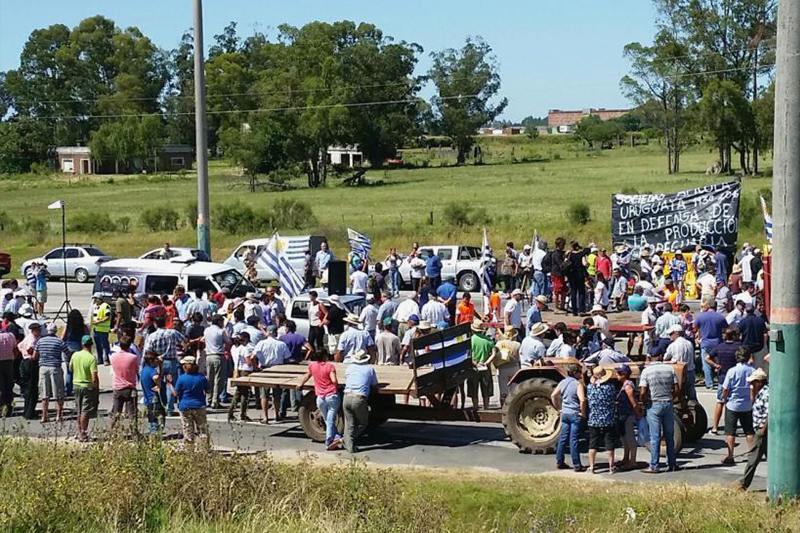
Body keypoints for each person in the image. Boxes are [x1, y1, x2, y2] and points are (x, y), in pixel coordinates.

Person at [639, 357, 679, 473]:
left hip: (654, 403)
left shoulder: (647, 371)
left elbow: (642, 391)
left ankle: (654, 465)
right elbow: (677, 388)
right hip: (668, 403)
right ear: (661, 357)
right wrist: (672, 398)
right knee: (669, 436)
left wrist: (644, 402)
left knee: (655, 437)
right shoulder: (670, 369)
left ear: (650, 358)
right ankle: (672, 463)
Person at [297, 348, 343, 450]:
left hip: (320, 397)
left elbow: (307, 375)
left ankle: (336, 436)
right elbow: (334, 380)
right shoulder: (329, 366)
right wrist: (337, 385)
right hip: (331, 395)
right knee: (330, 419)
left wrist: (300, 384)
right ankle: (329, 442)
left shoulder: (312, 366)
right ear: (325, 356)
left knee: (327, 419)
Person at [734, 368, 769, 490]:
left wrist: (763, 430)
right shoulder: (759, 392)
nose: (751, 385)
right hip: (759, 429)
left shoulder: (766, 393)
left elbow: (769, 413)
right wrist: (752, 392)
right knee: (769, 458)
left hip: (762, 430)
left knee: (752, 458)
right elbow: (753, 404)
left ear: (759, 381)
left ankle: (743, 483)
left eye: (753, 382)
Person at [721, 347, 755, 465]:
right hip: (747, 404)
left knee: (731, 432)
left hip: (733, 404)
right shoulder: (752, 370)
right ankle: (752, 454)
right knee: (749, 431)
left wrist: (724, 399)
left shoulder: (732, 371)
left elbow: (725, 389)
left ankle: (730, 455)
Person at [552, 364, 587, 472]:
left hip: (565, 413)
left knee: (563, 438)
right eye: (579, 372)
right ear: (575, 373)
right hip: (575, 413)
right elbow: (582, 400)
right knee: (573, 440)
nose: (581, 375)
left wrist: (558, 409)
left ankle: (559, 461)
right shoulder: (577, 384)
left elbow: (553, 395)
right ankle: (577, 464)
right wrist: (583, 413)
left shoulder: (563, 382)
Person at [342, 349, 378, 453]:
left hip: (347, 396)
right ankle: (348, 441)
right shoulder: (369, 369)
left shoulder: (349, 368)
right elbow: (374, 384)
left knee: (349, 423)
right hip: (359, 398)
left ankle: (348, 442)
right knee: (363, 422)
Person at [252, 325, 290, 423]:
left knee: (264, 395)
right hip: (278, 369)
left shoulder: (261, 343)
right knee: (277, 395)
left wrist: (256, 367)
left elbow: (252, 357)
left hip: (265, 369)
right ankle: (277, 414)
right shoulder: (281, 344)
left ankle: (265, 417)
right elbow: (287, 358)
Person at [173, 355, 211, 446]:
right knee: (202, 429)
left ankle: (189, 450)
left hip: (185, 406)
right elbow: (208, 390)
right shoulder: (201, 377)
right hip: (199, 405)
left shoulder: (182, 378)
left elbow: (176, 393)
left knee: (188, 430)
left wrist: (170, 385)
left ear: (186, 366)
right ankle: (205, 448)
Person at [587, 366, 618, 474]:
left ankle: (591, 467)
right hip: (608, 418)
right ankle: (611, 466)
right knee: (609, 443)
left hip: (594, 419)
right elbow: (614, 398)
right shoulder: (610, 387)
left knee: (593, 443)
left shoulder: (590, 387)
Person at [35, 322, 68, 423]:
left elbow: (35, 355)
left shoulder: (40, 341)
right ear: (56, 331)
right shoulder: (59, 341)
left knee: (44, 394)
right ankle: (59, 415)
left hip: (43, 368)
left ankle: (44, 416)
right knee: (58, 393)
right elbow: (67, 352)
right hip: (55, 367)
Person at [694, 297, 728, 390]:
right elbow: (726, 329)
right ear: (716, 306)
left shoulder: (700, 316)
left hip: (705, 343)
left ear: (707, 306)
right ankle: (721, 381)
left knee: (706, 364)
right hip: (717, 343)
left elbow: (694, 328)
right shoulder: (720, 317)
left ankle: (709, 384)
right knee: (718, 363)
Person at [70, 335, 99, 442]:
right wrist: (96, 388)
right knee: (85, 411)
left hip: (76, 384)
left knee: (79, 410)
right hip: (87, 386)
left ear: (82, 344)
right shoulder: (91, 358)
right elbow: (94, 377)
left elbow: (71, 368)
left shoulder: (75, 355)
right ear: (91, 344)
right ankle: (83, 433)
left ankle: (79, 432)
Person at [109, 334, 139, 433]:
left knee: (116, 412)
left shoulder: (113, 357)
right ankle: (134, 432)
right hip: (130, 387)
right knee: (132, 413)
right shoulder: (133, 357)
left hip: (117, 387)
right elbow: (136, 370)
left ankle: (112, 431)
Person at [616, 364, 641, 471]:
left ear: (624, 374)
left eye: (619, 373)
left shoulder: (628, 386)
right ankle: (626, 458)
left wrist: (638, 414)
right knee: (625, 438)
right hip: (623, 415)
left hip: (628, 415)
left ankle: (633, 461)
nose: (617, 375)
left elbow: (633, 402)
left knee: (630, 438)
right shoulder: (624, 385)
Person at [662, 324, 696, 400]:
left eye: (671, 334)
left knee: (678, 395)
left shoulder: (673, 345)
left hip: (679, 373)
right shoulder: (689, 343)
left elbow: (665, 358)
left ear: (676, 333)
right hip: (690, 371)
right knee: (692, 395)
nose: (670, 336)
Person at [204, 314, 230, 409]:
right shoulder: (221, 331)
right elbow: (228, 341)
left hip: (209, 355)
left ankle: (208, 399)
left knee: (209, 378)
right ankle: (215, 401)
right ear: (219, 321)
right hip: (218, 355)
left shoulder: (206, 330)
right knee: (219, 379)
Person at [468, 319, 495, 410]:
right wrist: (486, 363)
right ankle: (486, 406)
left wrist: (475, 363)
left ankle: (475, 406)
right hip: (485, 367)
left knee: (473, 387)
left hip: (474, 367)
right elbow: (493, 354)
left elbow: (468, 355)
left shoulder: (470, 340)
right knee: (486, 387)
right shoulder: (489, 340)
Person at [18, 321, 42, 420]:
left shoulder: (28, 336)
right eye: (38, 330)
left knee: (28, 388)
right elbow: (30, 348)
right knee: (32, 388)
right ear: (34, 330)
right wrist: (31, 355)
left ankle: (27, 411)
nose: (39, 331)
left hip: (25, 361)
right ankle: (29, 413)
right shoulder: (33, 339)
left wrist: (23, 353)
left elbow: (19, 345)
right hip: (31, 362)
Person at [62, 309, 88, 397]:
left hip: (68, 349)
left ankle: (68, 390)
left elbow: (62, 338)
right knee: (78, 370)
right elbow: (87, 338)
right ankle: (79, 388)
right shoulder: (83, 327)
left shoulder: (68, 327)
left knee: (69, 371)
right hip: (78, 349)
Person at [494, 326, 521, 406]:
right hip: (514, 367)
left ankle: (503, 406)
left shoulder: (499, 343)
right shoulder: (517, 344)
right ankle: (514, 405)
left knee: (503, 389)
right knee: (514, 389)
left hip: (502, 367)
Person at [140, 352, 164, 433]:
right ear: (151, 361)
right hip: (153, 398)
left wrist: (160, 365)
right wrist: (159, 385)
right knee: (158, 416)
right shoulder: (151, 370)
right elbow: (156, 377)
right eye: (156, 360)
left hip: (148, 399)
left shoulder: (144, 369)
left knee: (152, 417)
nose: (157, 361)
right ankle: (155, 432)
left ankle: (153, 430)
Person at [0, 327, 18, 417]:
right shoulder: (10, 335)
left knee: (1, 387)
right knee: (8, 385)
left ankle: (1, 409)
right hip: (9, 362)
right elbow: (15, 349)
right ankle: (8, 408)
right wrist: (13, 358)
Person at [90, 293, 112, 365]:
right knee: (98, 346)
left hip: (103, 330)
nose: (94, 300)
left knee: (105, 345)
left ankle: (107, 360)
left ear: (99, 299)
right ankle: (100, 359)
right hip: (96, 329)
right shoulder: (96, 306)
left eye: (95, 299)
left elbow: (107, 317)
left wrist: (99, 322)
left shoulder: (106, 306)